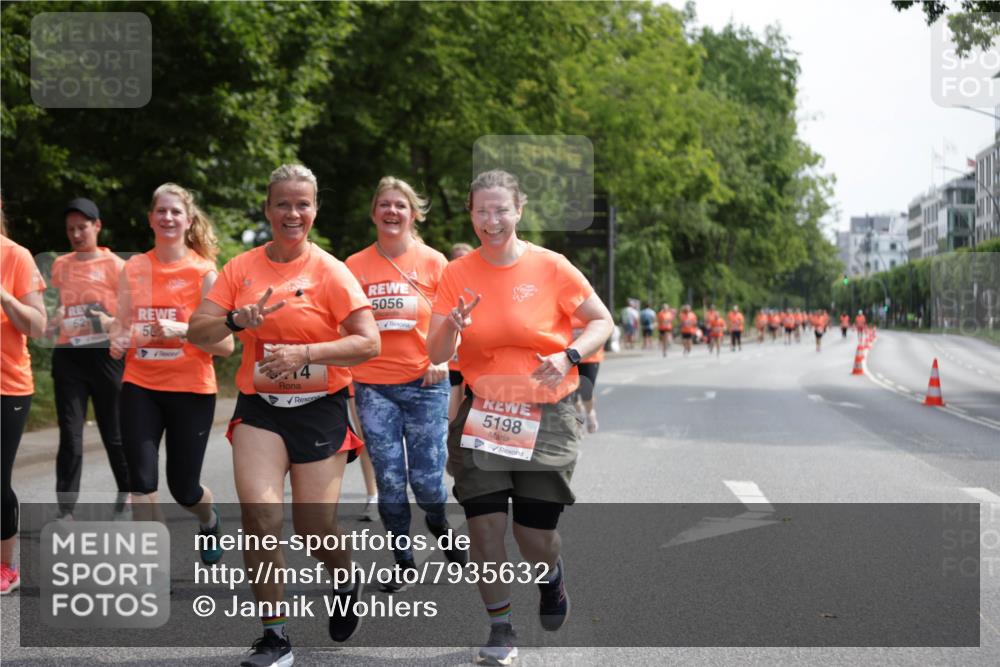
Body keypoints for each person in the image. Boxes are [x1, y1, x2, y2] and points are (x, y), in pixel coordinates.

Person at [188, 164, 379, 667]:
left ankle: (343, 577)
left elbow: (368, 342)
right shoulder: (241, 268)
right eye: (282, 204)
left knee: (315, 528)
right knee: (260, 515)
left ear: (314, 209)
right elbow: (199, 332)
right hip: (261, 410)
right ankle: (274, 635)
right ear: (268, 208)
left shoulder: (331, 271)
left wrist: (308, 354)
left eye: (302, 204)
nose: (292, 213)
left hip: (320, 408)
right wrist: (234, 318)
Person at [426, 170, 613, 666]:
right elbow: (436, 350)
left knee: (534, 536)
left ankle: (550, 578)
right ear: (471, 213)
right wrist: (451, 325)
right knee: (484, 529)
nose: (491, 220)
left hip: (545, 413)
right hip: (485, 411)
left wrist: (569, 356)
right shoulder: (457, 274)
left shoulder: (552, 267)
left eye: (500, 210)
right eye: (482, 211)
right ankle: (500, 628)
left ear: (519, 210)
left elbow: (601, 320)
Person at [345, 176, 467, 591]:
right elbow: (345, 327)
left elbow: (457, 323)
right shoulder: (353, 266)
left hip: (424, 383)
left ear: (413, 213)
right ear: (374, 212)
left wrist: (445, 359)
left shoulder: (435, 263)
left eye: (400, 205)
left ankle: (438, 521)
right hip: (373, 386)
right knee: (391, 480)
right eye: (384, 205)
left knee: (428, 482)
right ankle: (403, 560)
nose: (392, 211)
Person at [109, 184, 233, 560]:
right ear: (151, 218)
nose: (167, 218)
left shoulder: (204, 273)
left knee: (184, 489)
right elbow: (121, 325)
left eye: (175, 212)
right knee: (141, 483)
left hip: (191, 389)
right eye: (161, 211)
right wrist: (117, 340)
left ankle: (209, 519)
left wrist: (185, 331)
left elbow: (226, 346)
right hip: (140, 386)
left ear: (188, 220)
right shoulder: (134, 267)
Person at [47, 198, 130, 520]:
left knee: (114, 433)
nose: (76, 234)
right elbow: (64, 305)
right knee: (70, 434)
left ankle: (128, 489)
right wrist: (56, 317)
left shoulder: (118, 267)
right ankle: (66, 510)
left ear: (97, 226)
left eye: (82, 227)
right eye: (71, 229)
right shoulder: (61, 265)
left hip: (106, 356)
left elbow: (128, 312)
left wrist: (109, 320)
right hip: (69, 356)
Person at [1, 199, 46, 594]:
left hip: (7, 385)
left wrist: (5, 296)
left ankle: (7, 565)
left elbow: (37, 324)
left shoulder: (15, 256)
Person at [447, 242, 473, 422]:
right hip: (451, 363)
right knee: (451, 416)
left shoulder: (482, 284)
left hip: (474, 359)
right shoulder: (445, 286)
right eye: (456, 259)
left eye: (464, 258)